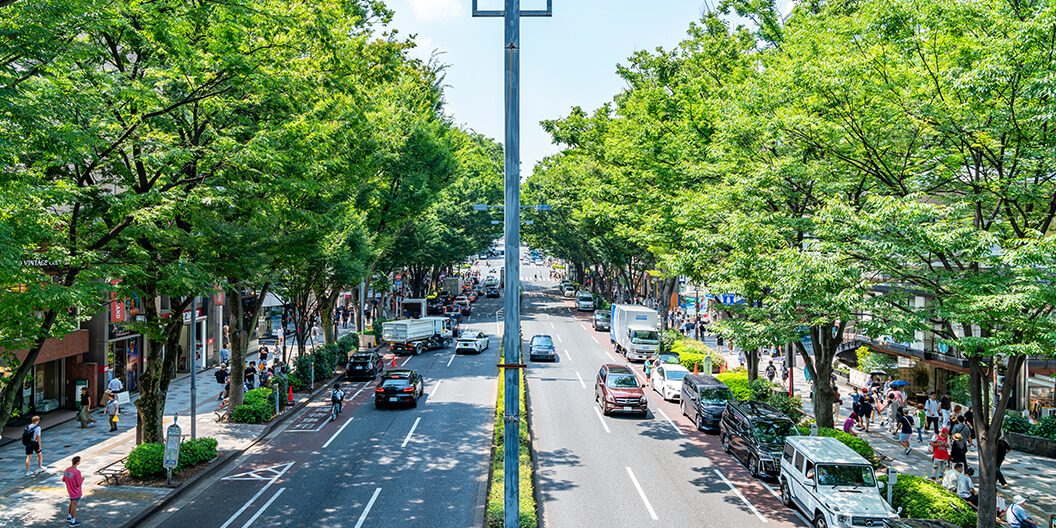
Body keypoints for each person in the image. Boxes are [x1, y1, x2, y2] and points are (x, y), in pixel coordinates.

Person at [63, 456, 84, 526]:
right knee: (74, 505)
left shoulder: (67, 470)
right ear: (77, 462)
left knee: (72, 503)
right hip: (76, 491)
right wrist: (82, 479)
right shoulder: (77, 472)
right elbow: (79, 483)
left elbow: (64, 479)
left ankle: (69, 516)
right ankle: (73, 521)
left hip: (70, 490)